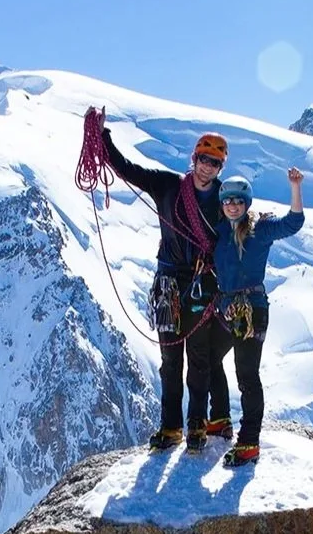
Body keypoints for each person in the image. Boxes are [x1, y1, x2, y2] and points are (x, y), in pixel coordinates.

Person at [88, 108, 233, 450]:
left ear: (219, 167)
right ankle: (171, 427)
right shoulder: (167, 185)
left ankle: (196, 424)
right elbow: (126, 169)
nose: (206, 168)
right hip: (170, 282)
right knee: (170, 360)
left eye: (213, 163)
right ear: (194, 158)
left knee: (198, 357)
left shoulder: (228, 199)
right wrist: (101, 136)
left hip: (202, 284)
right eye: (203, 159)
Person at [209, 166, 306, 467]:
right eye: (227, 201)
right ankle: (221, 419)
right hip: (228, 308)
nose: (232, 205)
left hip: (251, 309)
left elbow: (293, 223)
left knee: (247, 375)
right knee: (208, 358)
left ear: (246, 203)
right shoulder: (222, 230)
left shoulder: (259, 229)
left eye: (238, 200)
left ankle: (249, 441)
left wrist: (295, 187)